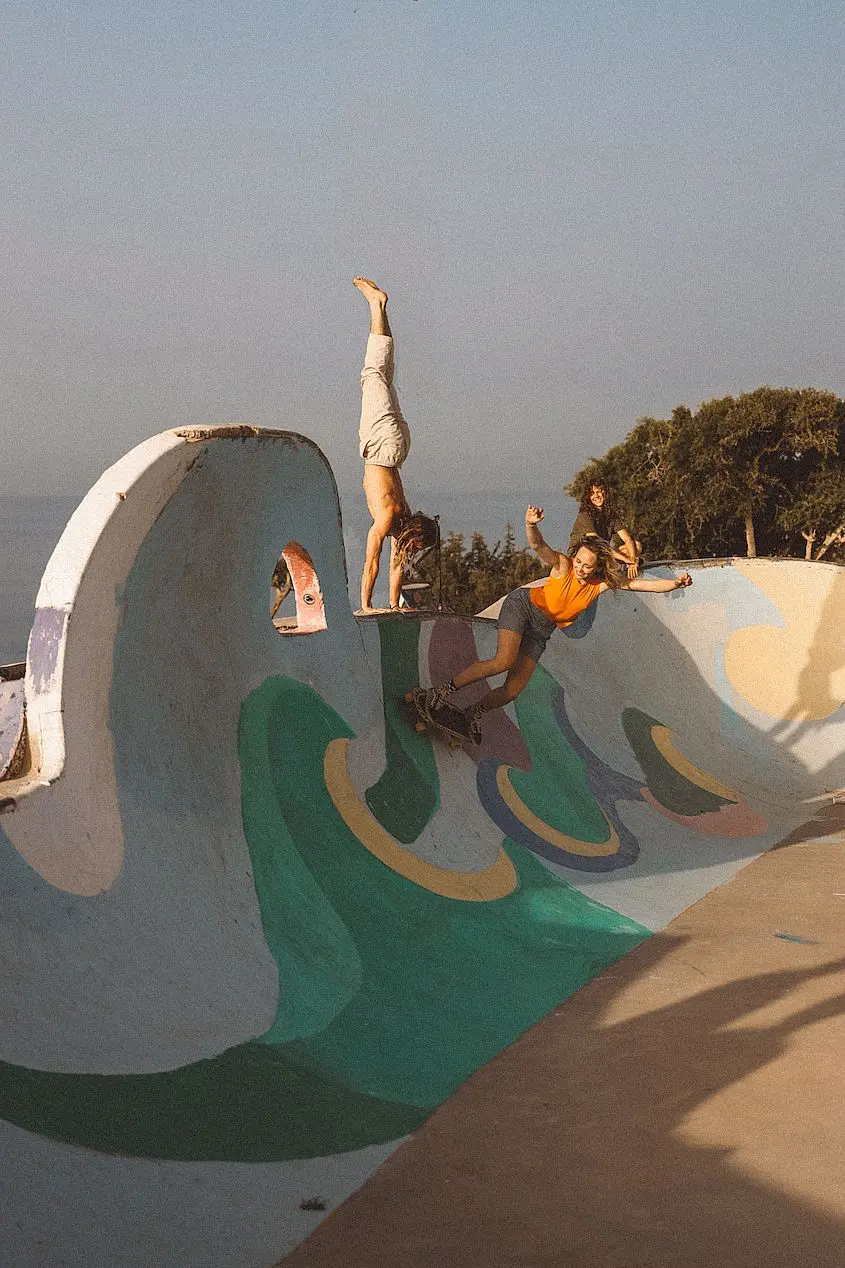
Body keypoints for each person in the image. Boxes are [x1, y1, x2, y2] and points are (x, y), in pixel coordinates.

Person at [422, 505, 692, 742]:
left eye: (587, 566)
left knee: (512, 690)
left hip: (542, 629)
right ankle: (440, 693)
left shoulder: (599, 585)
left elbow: (642, 585)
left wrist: (676, 583)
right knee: (503, 661)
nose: (580, 568)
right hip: (523, 607)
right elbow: (539, 546)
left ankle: (473, 713)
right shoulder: (563, 565)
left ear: (597, 568)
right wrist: (530, 524)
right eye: (579, 561)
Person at [353, 277, 438, 612]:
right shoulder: (389, 517)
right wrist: (365, 606)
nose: (412, 553)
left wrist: (392, 604)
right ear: (413, 535)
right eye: (416, 547)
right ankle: (376, 304)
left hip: (397, 446)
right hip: (383, 446)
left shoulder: (400, 515)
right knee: (372, 373)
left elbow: (394, 566)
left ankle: (380, 307)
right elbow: (372, 561)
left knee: (383, 374)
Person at [568, 482, 642, 578]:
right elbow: (596, 542)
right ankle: (611, 569)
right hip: (583, 556)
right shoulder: (585, 515)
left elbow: (627, 539)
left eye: (598, 492)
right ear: (588, 498)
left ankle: (626, 569)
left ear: (605, 493)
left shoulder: (611, 515)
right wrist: (626, 559)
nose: (596, 496)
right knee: (597, 552)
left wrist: (632, 560)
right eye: (592, 494)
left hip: (602, 553)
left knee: (637, 546)